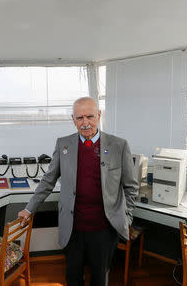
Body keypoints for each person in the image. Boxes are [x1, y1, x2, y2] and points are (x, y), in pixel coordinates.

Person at [18, 97, 138, 286]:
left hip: (104, 229)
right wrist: (29, 208)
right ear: (73, 119)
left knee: (100, 279)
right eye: (79, 118)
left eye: (89, 116)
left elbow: (131, 187)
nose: (85, 123)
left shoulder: (119, 146)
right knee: (73, 277)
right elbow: (48, 180)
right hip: (73, 227)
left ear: (99, 116)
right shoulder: (63, 144)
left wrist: (126, 217)